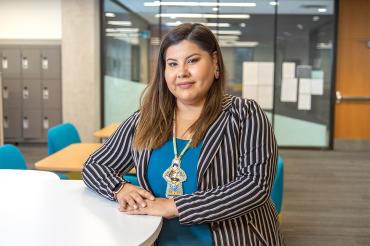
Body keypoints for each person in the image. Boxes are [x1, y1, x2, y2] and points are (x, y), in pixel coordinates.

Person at [82, 23, 284, 245]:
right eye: (172, 64)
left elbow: (254, 186)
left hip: (233, 238)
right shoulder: (146, 118)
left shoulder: (244, 114)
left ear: (215, 61)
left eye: (193, 60)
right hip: (156, 239)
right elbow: (94, 165)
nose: (182, 73)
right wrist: (120, 188)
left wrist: (175, 206)